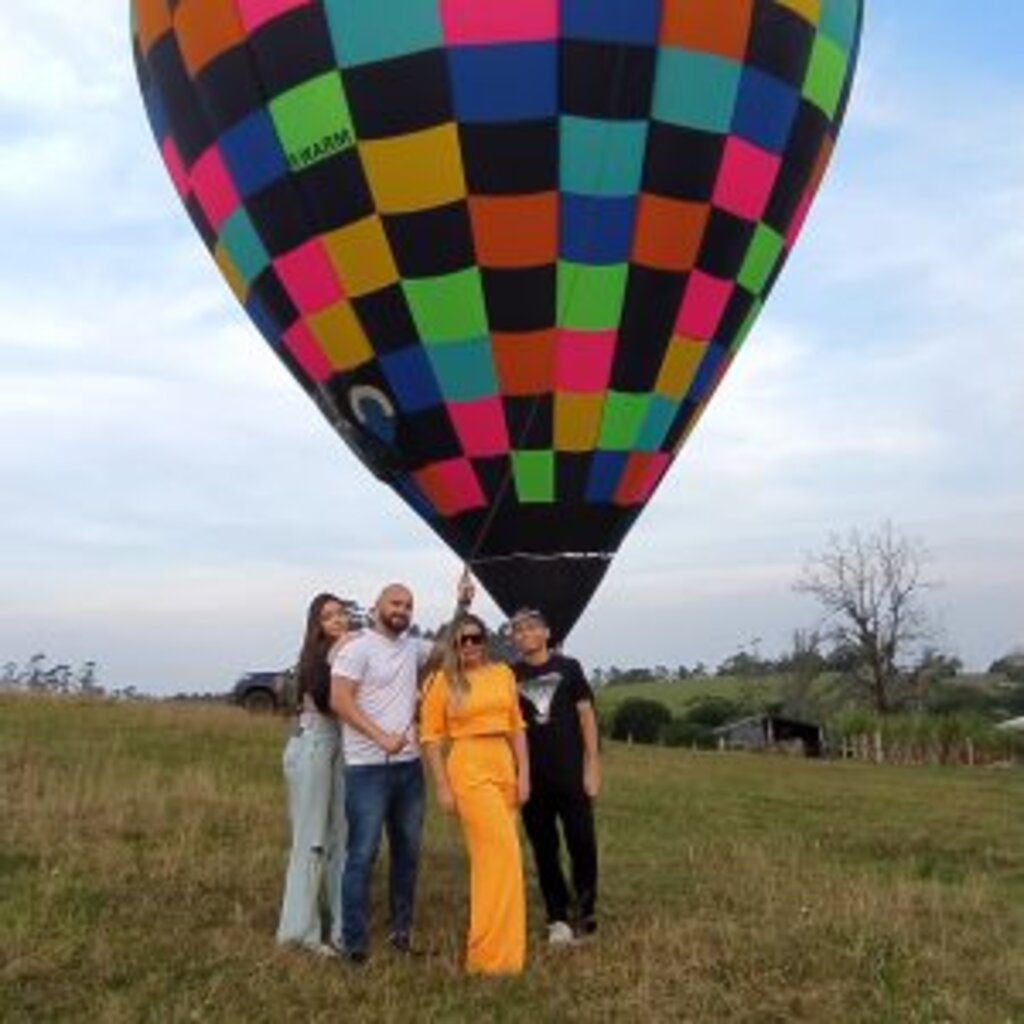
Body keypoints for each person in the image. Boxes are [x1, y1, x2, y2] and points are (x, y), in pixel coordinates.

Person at [330, 578, 471, 963]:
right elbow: (339, 699)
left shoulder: (412, 648)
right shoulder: (356, 647)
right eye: (395, 603)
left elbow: (445, 649)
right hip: (367, 770)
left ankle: (400, 933)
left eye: (408, 606)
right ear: (377, 607)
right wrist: (380, 736)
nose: (402, 611)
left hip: (408, 770)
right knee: (363, 853)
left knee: (407, 853)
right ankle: (354, 943)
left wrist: (460, 607)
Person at [420, 613, 529, 975]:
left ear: (485, 639)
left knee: (496, 862)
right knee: (504, 854)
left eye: (475, 638)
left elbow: (517, 727)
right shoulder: (442, 681)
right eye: (461, 640)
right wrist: (441, 787)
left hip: (503, 765)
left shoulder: (503, 674)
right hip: (468, 767)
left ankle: (503, 954)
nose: (469, 645)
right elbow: (432, 738)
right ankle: (487, 955)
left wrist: (523, 774)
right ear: (452, 645)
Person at [510, 607, 601, 944]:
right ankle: (557, 916)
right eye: (517, 630)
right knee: (544, 849)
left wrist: (592, 767)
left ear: (547, 633)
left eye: (531, 628)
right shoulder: (510, 675)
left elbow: (586, 716)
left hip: (571, 774)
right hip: (532, 778)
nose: (524, 635)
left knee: (581, 843)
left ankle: (586, 910)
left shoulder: (568, 667)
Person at [276, 592, 351, 956]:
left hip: (339, 747)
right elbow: (325, 700)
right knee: (312, 839)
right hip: (314, 744)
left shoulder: (349, 653)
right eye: (328, 616)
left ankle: (342, 927)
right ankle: (300, 932)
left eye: (341, 614)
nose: (338, 620)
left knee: (342, 838)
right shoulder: (317, 658)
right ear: (316, 625)